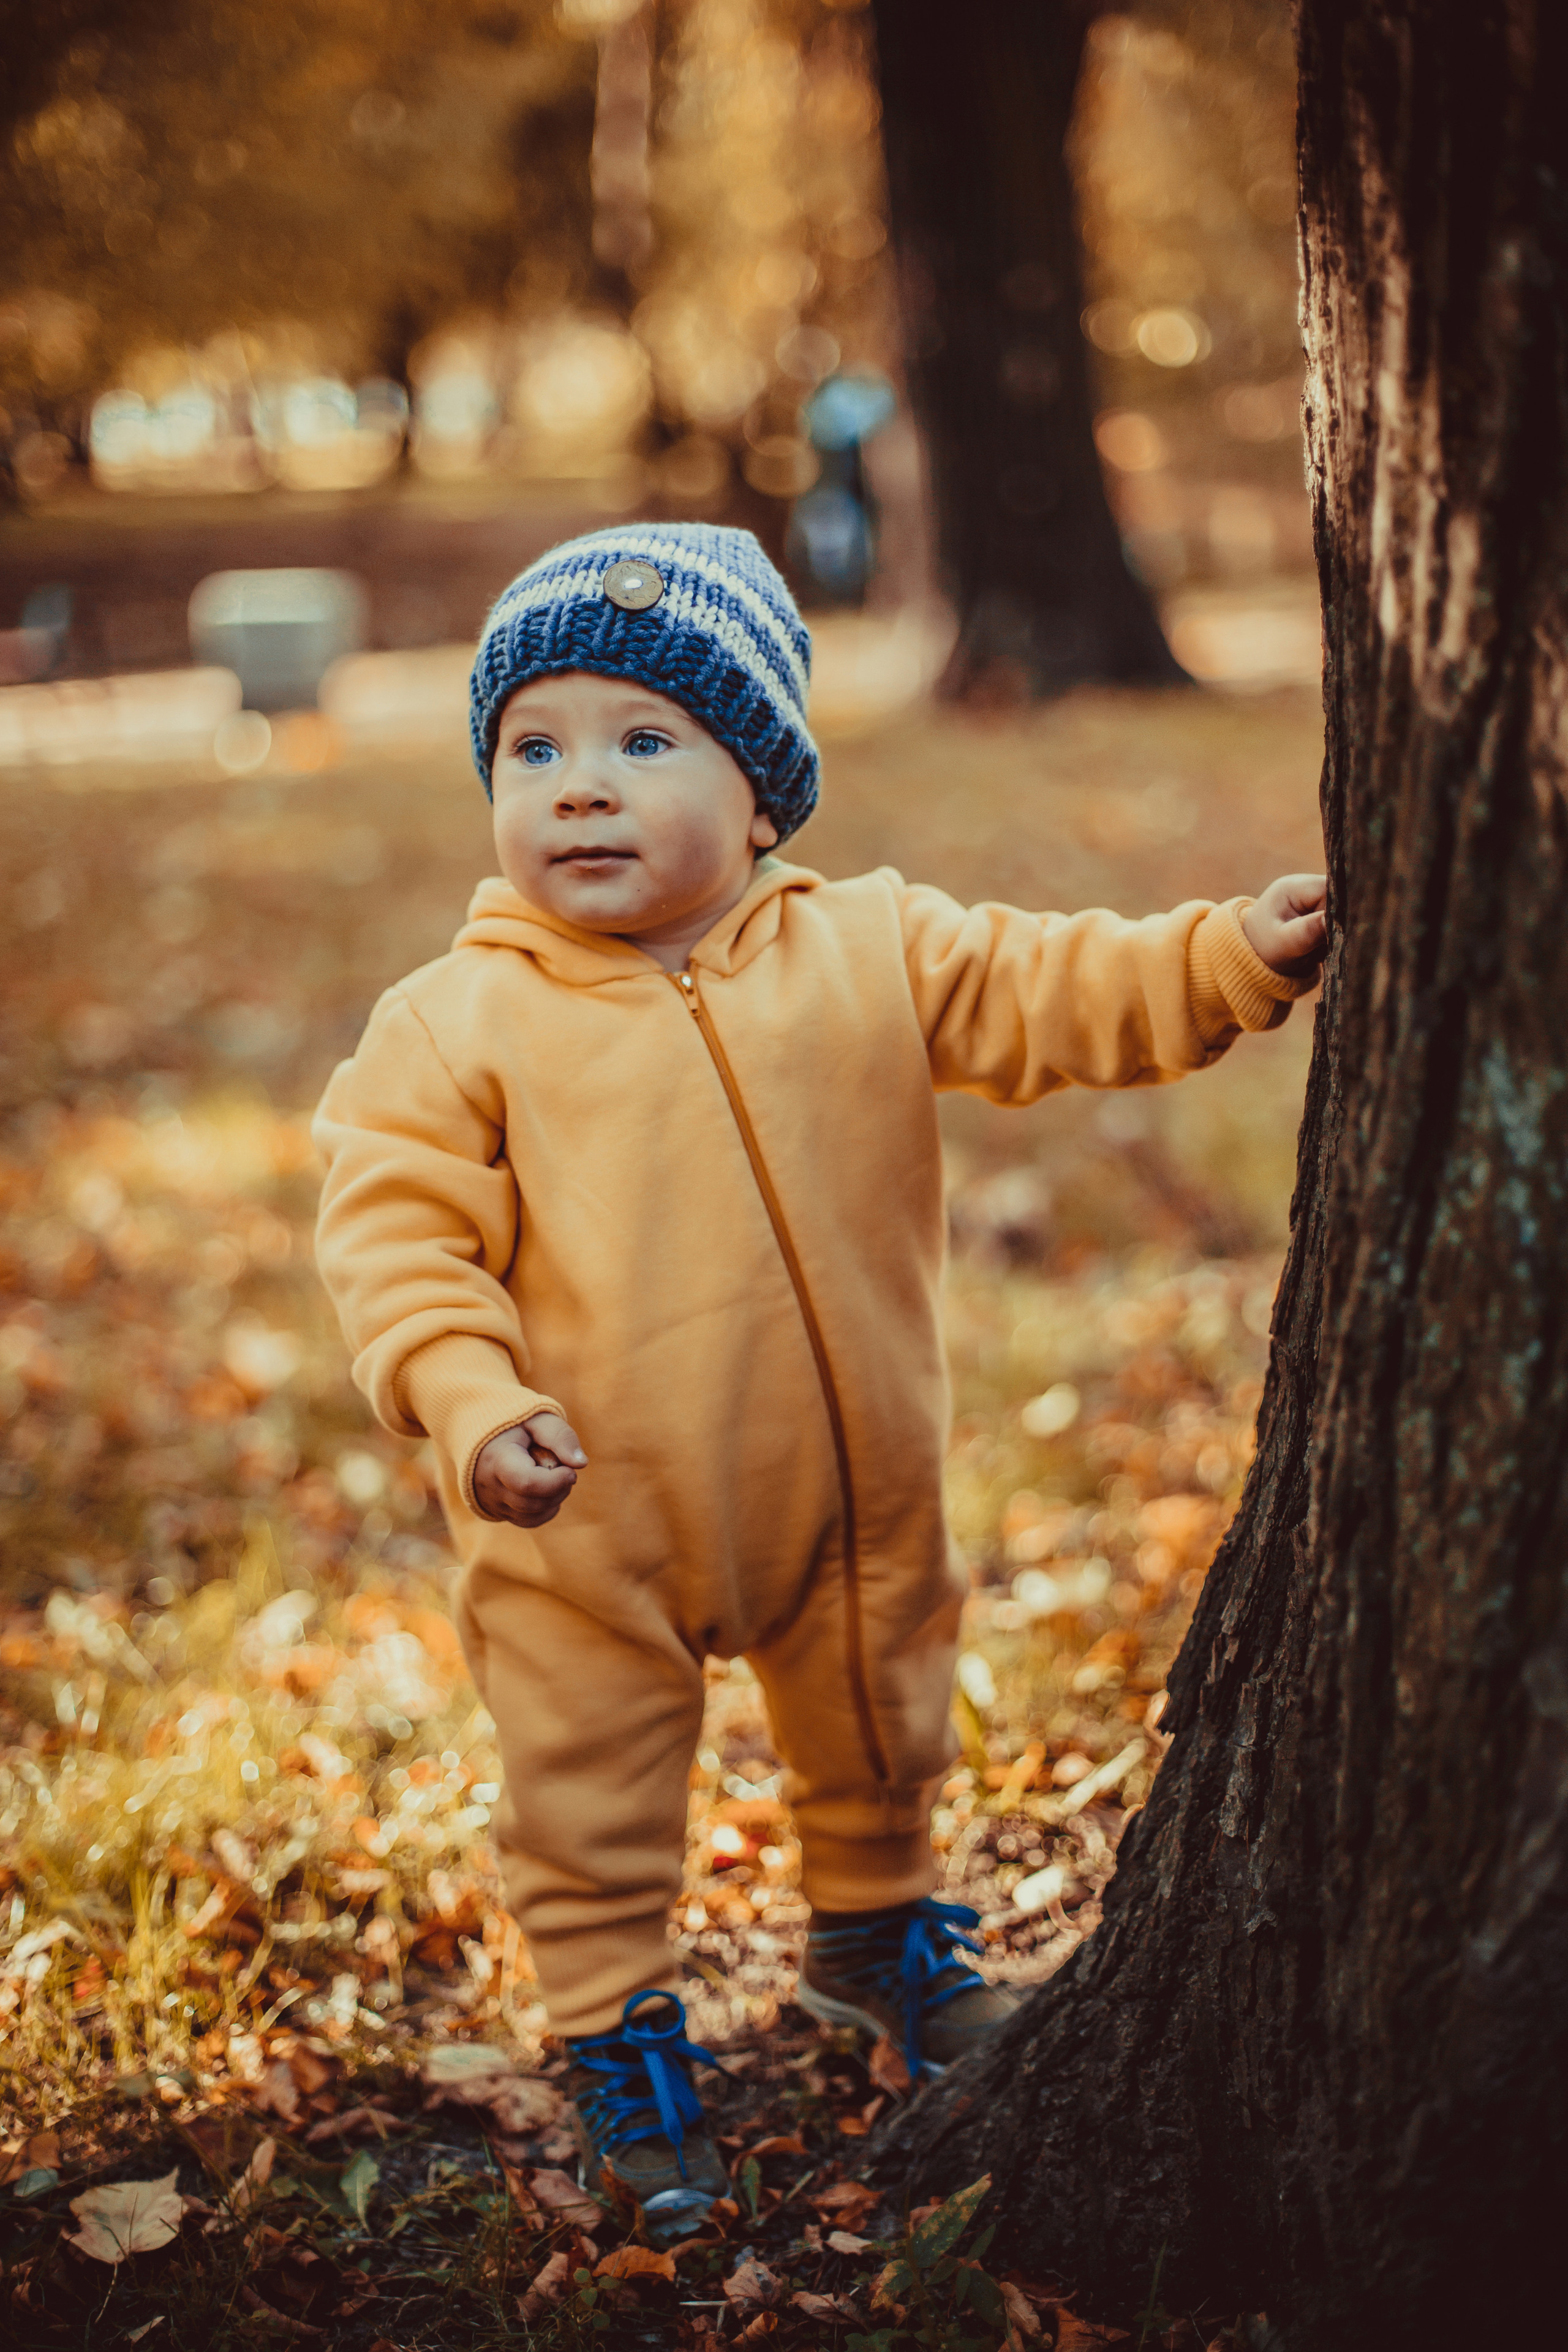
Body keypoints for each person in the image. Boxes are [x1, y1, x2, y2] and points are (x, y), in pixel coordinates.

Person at [312, 524, 1326, 2236]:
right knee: (592, 1785)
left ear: (765, 789)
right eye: (534, 749)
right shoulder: (452, 1024)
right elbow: (398, 1243)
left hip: (851, 1488)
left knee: (878, 1718)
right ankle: (619, 2041)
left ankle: (874, 1939)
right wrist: (475, 1405)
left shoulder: (871, 948)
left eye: (645, 743)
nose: (581, 788)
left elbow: (1053, 986)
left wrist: (1229, 955)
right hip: (586, 1516)